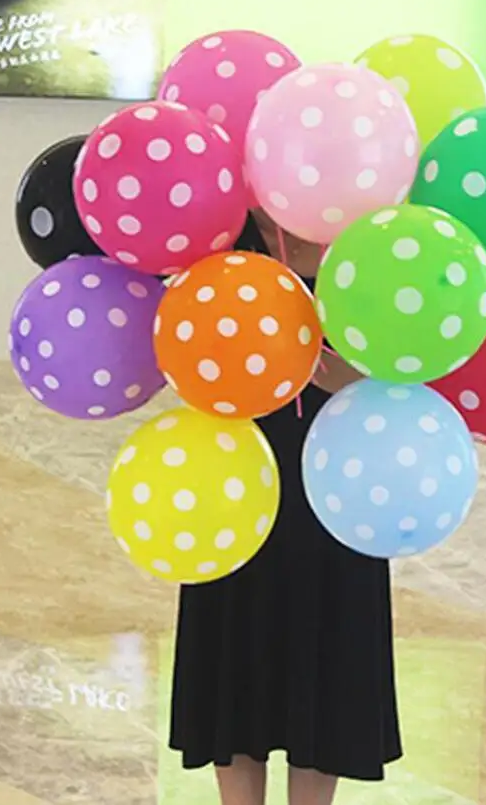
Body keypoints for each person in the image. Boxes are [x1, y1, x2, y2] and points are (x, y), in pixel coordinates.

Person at [169, 211, 403, 805]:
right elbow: (183, 352)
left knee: (329, 655)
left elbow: (401, 368)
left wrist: (337, 371)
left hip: (340, 488)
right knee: (234, 650)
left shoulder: (367, 245)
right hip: (234, 482)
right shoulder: (218, 241)